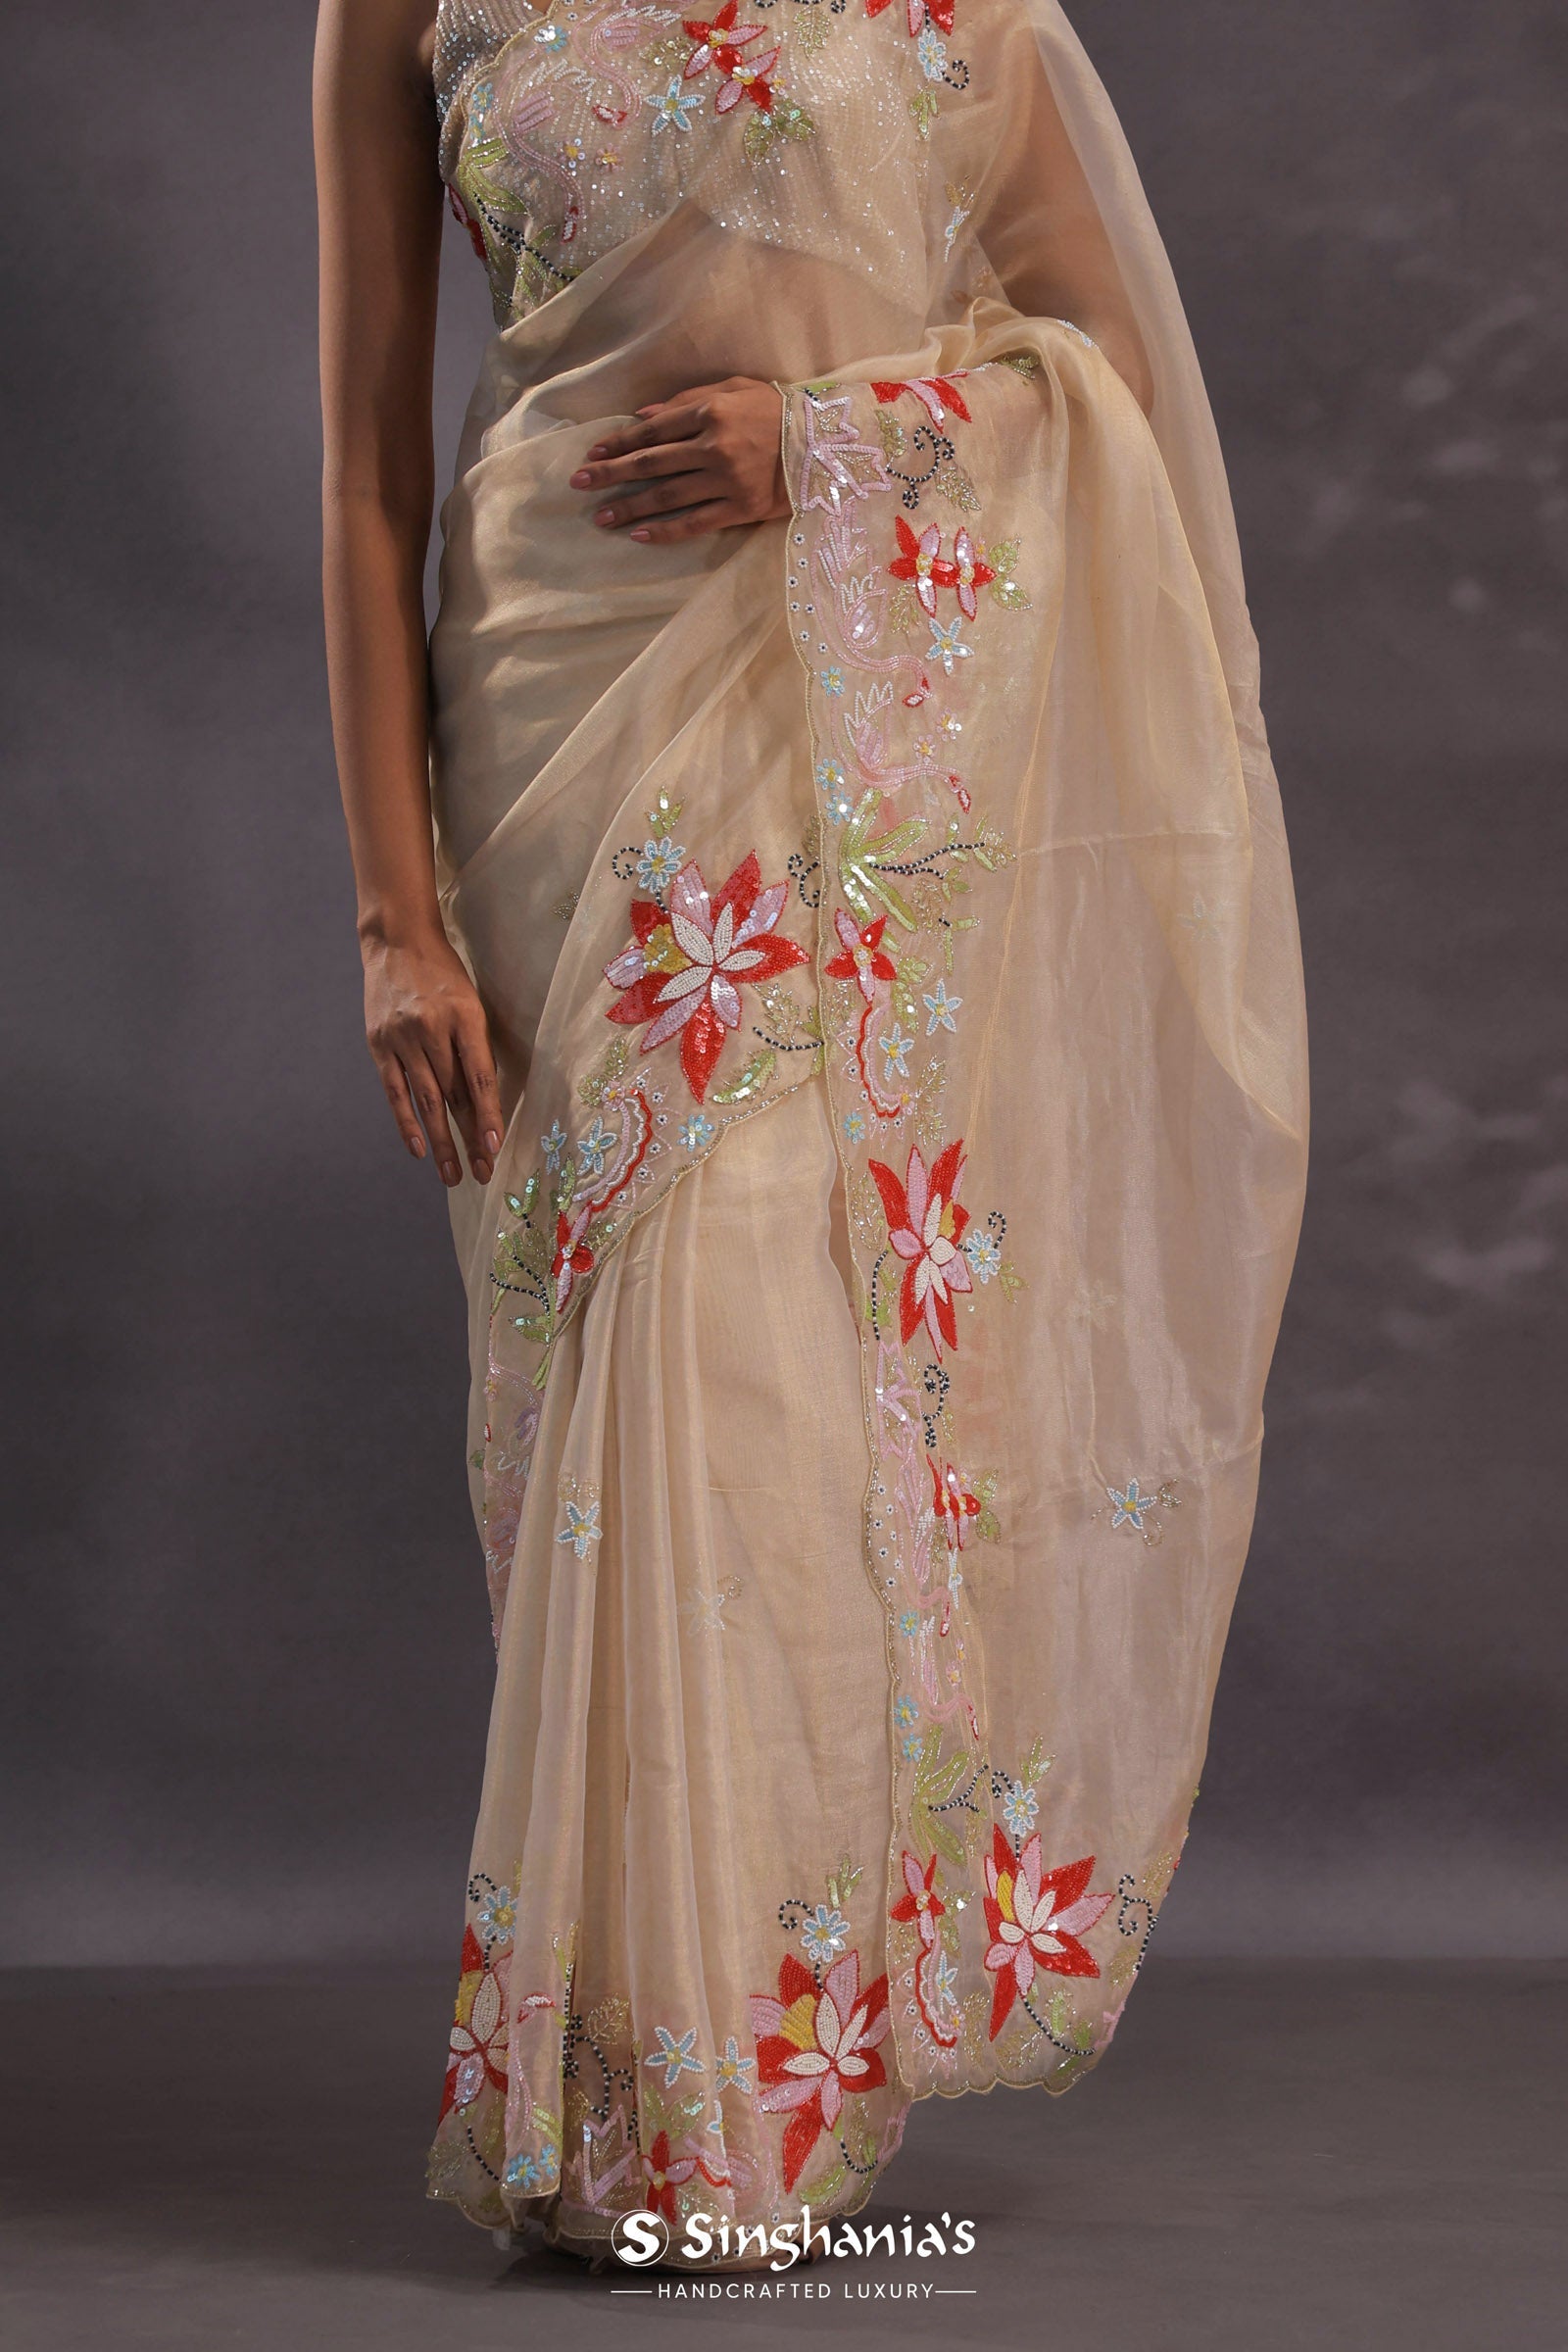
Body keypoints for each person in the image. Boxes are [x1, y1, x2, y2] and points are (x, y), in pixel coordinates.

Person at [314, 0, 1308, 2269]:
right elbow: (364, 470)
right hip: (549, 714)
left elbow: (1106, 384)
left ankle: (715, 2102)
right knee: (608, 1374)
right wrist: (391, 914)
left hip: (819, 704)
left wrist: (842, 445)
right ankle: (625, 2081)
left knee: (748, 1351)